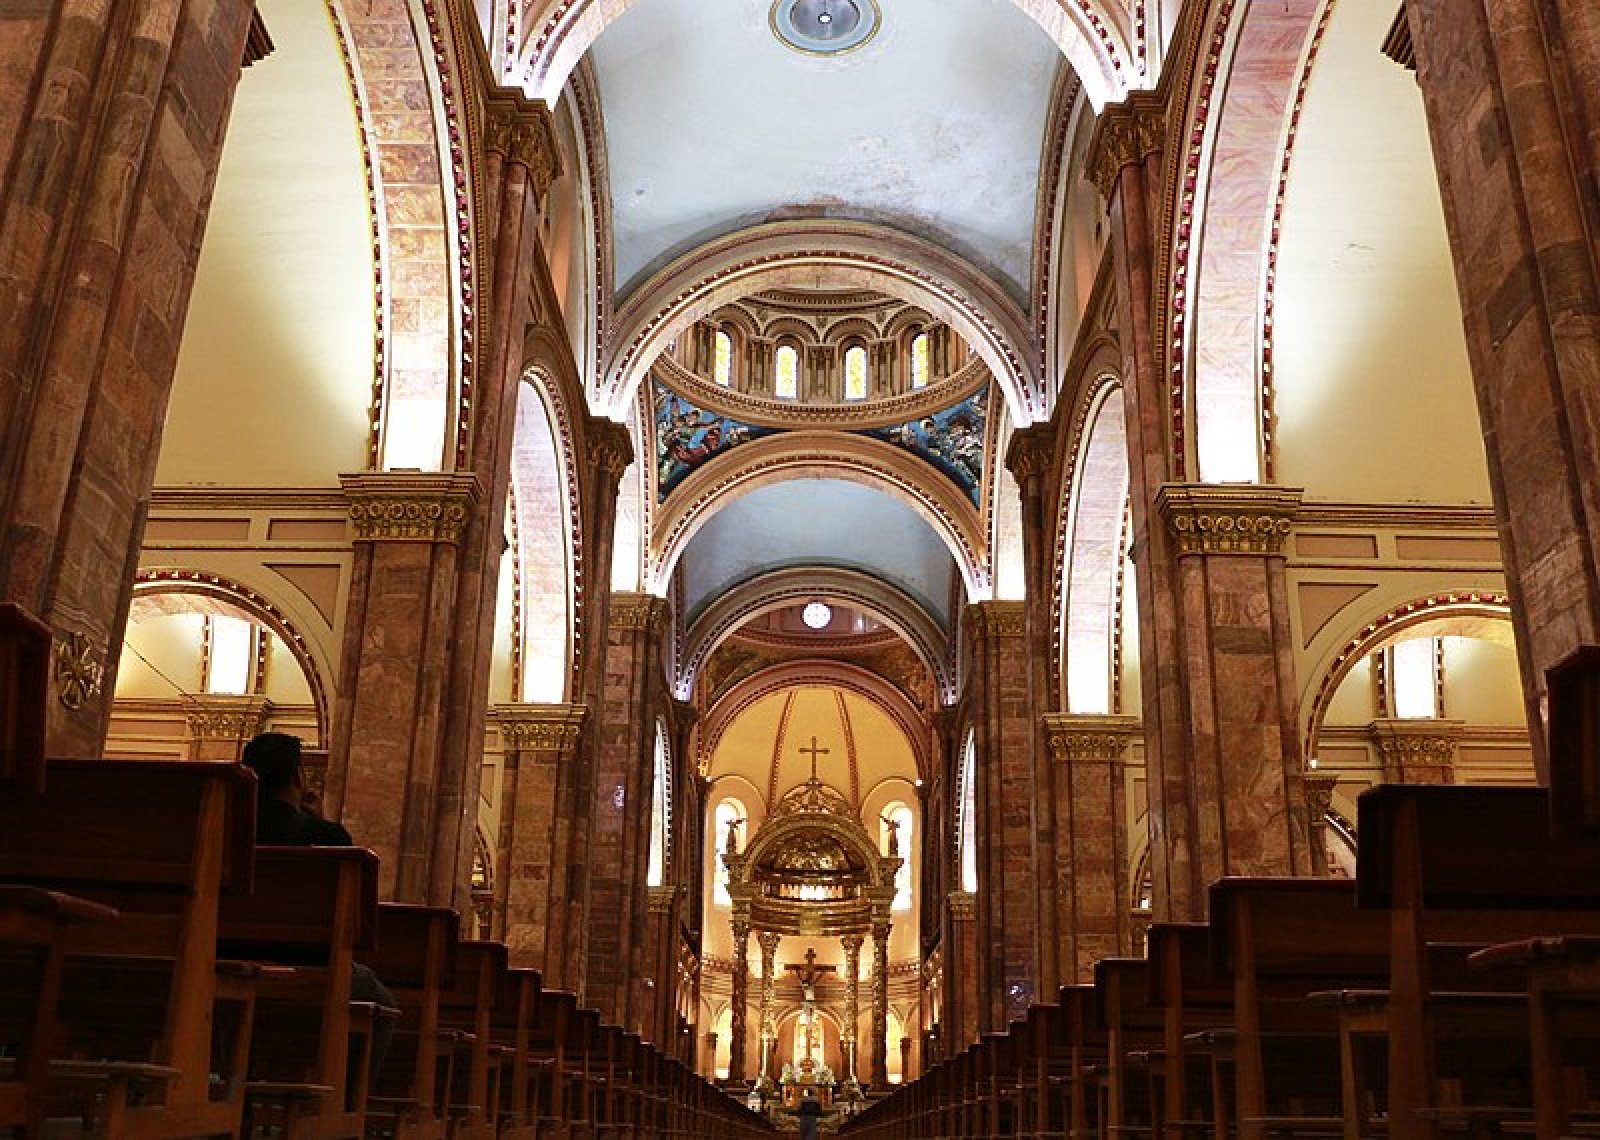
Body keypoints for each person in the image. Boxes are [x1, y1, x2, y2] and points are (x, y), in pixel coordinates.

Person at [240, 732, 394, 1077]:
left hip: (223, 953)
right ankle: (343, 1103)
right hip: (307, 965)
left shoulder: (226, 826)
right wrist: (319, 822)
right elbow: (356, 924)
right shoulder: (328, 838)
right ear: (297, 777)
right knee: (382, 1005)